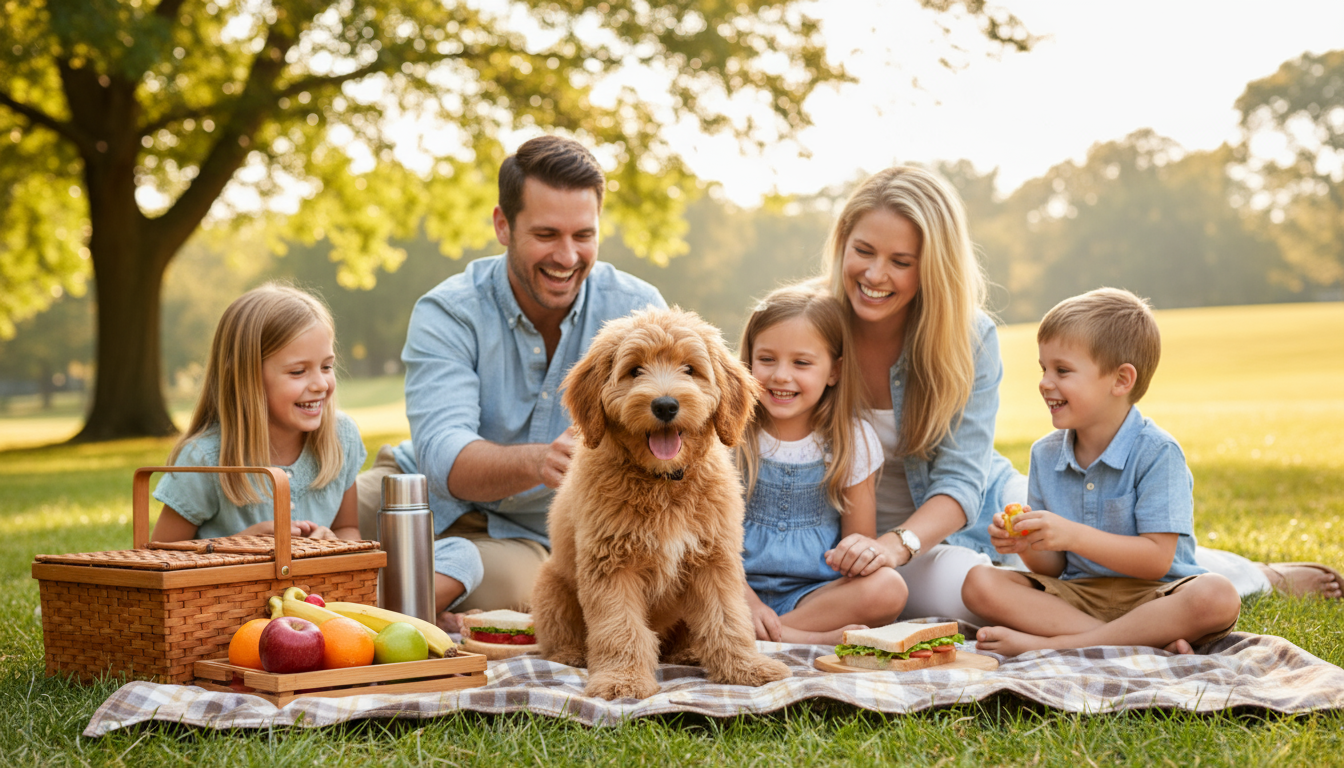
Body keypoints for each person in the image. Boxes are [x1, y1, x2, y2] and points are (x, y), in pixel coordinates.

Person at [818, 166, 1340, 626]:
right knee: (987, 594)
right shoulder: (806, 328)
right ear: (843, 243)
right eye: (863, 251)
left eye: (901, 261)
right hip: (853, 537)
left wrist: (896, 545)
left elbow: (961, 479)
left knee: (1047, 567)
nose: (875, 274)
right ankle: (1123, 627)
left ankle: (1250, 576)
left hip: (967, 512)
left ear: (932, 267)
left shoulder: (965, 337)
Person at [355, 135, 666, 622]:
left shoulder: (635, 308)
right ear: (503, 225)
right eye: (546, 235)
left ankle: (367, 603)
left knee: (523, 592)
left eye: (583, 235)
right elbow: (442, 459)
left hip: (535, 532)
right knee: (306, 525)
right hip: (417, 491)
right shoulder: (449, 311)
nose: (567, 256)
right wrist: (543, 461)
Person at [961, 288, 1243, 655]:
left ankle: (1064, 645)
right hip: (1078, 596)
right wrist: (1027, 545)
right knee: (979, 583)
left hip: (1155, 597)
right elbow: (1052, 568)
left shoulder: (1158, 453)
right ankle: (1137, 643)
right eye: (1043, 368)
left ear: (1121, 380)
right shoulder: (1045, 454)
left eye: (1062, 370)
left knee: (1217, 595)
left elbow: (1156, 559)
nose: (1046, 382)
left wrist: (1072, 535)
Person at [736, 286, 906, 645]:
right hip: (731, 588)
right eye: (767, 359)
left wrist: (858, 552)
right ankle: (802, 638)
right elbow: (706, 546)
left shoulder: (851, 440)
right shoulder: (729, 436)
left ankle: (771, 637)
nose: (781, 376)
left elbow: (860, 544)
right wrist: (748, 604)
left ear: (834, 371)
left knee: (888, 588)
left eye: (801, 363)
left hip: (814, 596)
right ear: (748, 360)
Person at [151, 284, 367, 542]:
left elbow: (348, 529)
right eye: (298, 371)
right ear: (246, 378)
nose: (320, 384)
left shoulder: (341, 437)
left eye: (327, 366)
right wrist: (238, 544)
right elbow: (159, 558)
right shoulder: (205, 460)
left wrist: (333, 543)